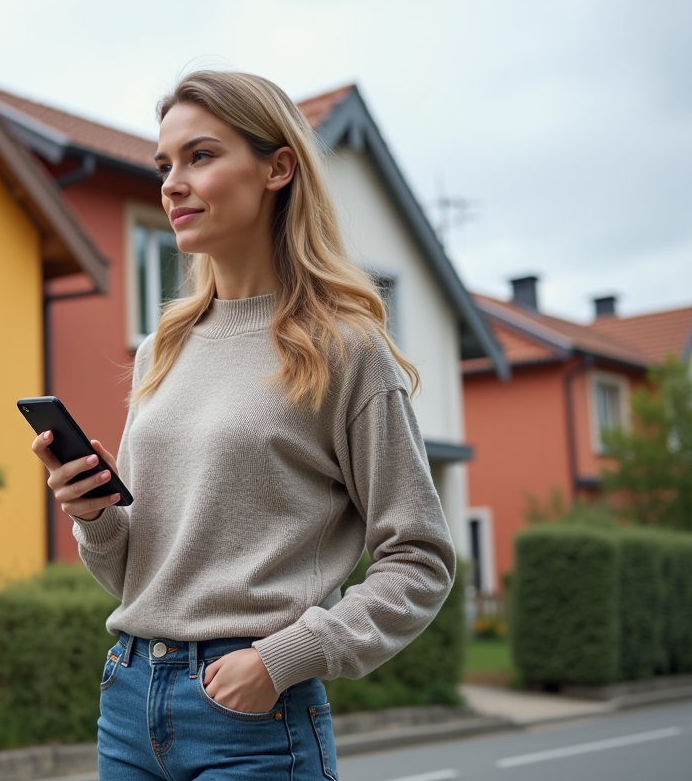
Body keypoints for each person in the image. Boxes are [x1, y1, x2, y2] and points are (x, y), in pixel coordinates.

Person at [30, 70, 456, 781]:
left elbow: (421, 559)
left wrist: (282, 659)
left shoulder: (343, 348)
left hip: (255, 718)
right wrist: (97, 517)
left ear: (277, 168)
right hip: (128, 695)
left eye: (199, 156)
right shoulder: (163, 347)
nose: (170, 183)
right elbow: (136, 573)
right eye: (165, 164)